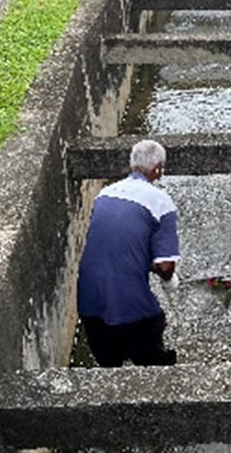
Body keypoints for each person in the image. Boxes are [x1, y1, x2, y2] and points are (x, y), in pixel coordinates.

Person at [76, 139, 180, 367]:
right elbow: (165, 267)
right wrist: (170, 279)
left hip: (89, 300)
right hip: (131, 307)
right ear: (158, 170)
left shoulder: (104, 194)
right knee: (155, 368)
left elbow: (114, 243)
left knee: (110, 368)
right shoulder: (162, 203)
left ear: (132, 165)